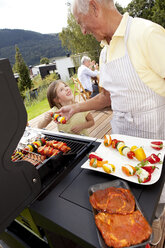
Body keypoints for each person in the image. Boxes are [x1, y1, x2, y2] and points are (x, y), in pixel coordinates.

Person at [57, 0, 165, 245]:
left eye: (80, 23)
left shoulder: (146, 34)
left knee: (154, 205)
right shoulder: (104, 52)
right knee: (123, 201)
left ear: (94, 7)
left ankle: (158, 221)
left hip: (154, 149)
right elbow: (107, 96)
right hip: (119, 147)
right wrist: (77, 106)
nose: (82, 30)